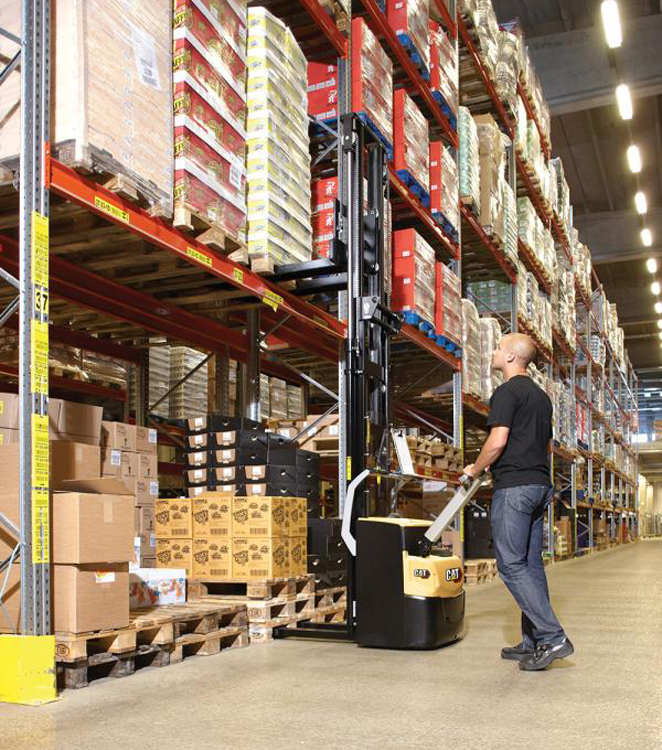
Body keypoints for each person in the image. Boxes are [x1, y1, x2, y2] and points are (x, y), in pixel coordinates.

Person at [462, 332, 573, 672]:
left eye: (498, 348)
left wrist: (475, 468)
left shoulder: (507, 392)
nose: (494, 352)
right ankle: (534, 641)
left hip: (516, 488)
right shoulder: (541, 398)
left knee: (510, 565)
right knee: (530, 565)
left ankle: (553, 637)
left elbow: (498, 441)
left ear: (511, 357)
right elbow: (541, 443)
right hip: (540, 486)